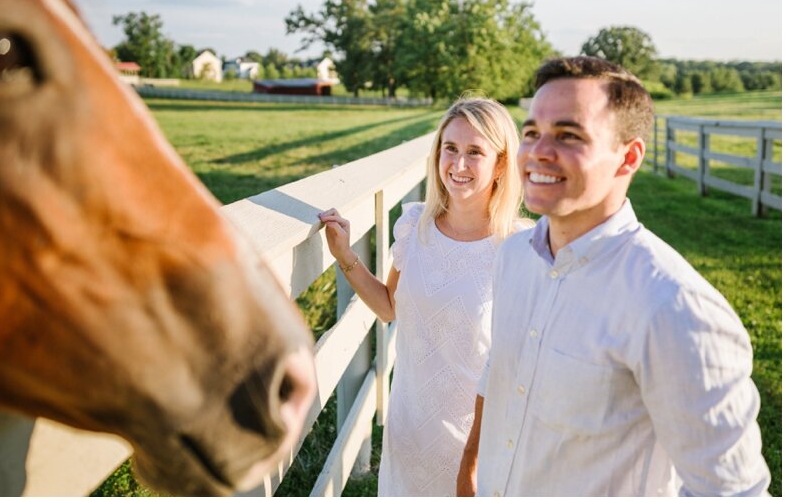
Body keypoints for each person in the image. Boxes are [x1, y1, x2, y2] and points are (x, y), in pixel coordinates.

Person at [456, 56, 771, 496]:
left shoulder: (673, 307)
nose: (538, 151)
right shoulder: (512, 257)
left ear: (628, 157)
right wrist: (468, 468)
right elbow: (499, 372)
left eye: (568, 135)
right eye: (531, 133)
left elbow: (732, 491)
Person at [318, 97, 531, 496]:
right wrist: (345, 256)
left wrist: (474, 461)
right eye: (450, 149)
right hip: (409, 428)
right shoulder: (415, 225)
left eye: (475, 152)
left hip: (475, 440)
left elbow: (513, 369)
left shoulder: (518, 249)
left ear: (501, 164)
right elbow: (389, 306)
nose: (459, 165)